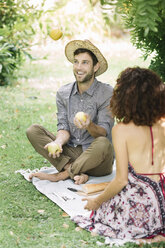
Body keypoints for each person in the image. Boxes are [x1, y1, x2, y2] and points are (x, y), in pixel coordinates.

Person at [72, 67, 165, 242]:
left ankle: (146, 235)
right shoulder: (162, 124)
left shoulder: (121, 130)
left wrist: (97, 201)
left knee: (105, 212)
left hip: (138, 203)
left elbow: (121, 180)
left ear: (123, 98)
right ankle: (158, 233)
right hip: (161, 197)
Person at [26, 39, 114, 185]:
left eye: (85, 62)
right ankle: (74, 171)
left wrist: (89, 125)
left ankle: (62, 175)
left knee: (103, 143)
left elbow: (103, 133)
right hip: (72, 153)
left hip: (98, 159)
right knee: (33, 130)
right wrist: (59, 142)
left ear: (96, 67)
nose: (79, 67)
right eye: (76, 62)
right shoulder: (63, 93)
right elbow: (63, 127)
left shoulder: (107, 93)